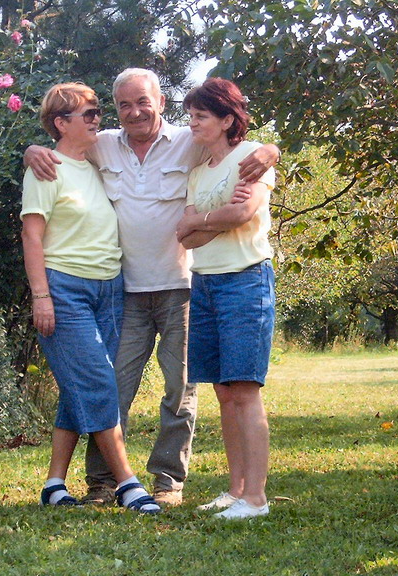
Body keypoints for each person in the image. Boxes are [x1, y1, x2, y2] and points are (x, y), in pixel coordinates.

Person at [24, 68, 280, 506]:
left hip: (182, 287)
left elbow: (238, 146)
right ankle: (103, 483)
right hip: (124, 290)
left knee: (180, 392)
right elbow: (63, 145)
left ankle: (168, 481)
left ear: (161, 102)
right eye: (123, 105)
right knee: (113, 386)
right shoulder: (103, 143)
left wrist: (271, 151)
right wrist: (32, 150)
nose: (134, 112)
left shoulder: (189, 139)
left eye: (143, 101)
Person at [21, 82, 160, 514]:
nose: (98, 119)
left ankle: (54, 485)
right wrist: (41, 296)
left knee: (79, 385)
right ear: (61, 123)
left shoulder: (97, 161)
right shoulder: (46, 169)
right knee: (99, 384)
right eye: (89, 113)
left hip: (110, 290)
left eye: (99, 111)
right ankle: (128, 485)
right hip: (65, 290)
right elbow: (31, 235)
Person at [175, 78, 276, 519]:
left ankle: (256, 498)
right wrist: (218, 218)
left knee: (244, 389)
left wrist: (204, 218)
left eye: (201, 116)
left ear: (227, 119)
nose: (192, 123)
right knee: (222, 391)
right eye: (190, 116)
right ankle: (236, 491)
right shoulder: (199, 173)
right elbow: (186, 237)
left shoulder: (251, 156)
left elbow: (244, 212)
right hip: (205, 284)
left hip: (245, 282)